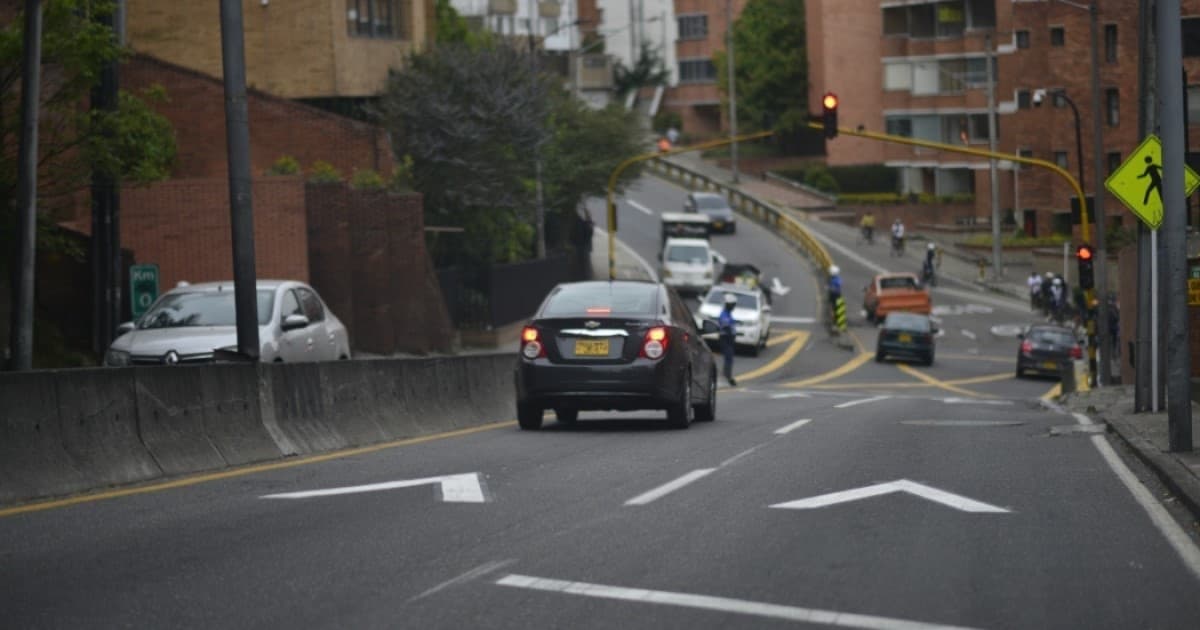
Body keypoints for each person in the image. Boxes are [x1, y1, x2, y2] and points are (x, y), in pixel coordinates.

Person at [718, 293, 738, 387]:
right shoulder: (724, 314)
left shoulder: (728, 314)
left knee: (729, 358)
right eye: (733, 305)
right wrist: (731, 333)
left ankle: (727, 376)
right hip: (726, 339)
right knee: (728, 357)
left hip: (729, 339)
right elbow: (726, 327)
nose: (734, 307)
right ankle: (727, 377)